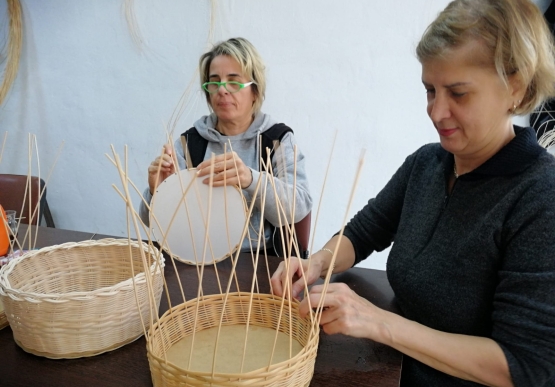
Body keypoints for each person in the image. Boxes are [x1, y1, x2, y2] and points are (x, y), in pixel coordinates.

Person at [271, 0, 555, 386]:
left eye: (458, 93)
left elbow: (523, 366)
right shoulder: (429, 163)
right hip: (394, 368)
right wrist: (319, 262)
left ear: (516, 89)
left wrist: (378, 322)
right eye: (429, 90)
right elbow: (366, 229)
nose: (436, 112)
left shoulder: (540, 196)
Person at [140, 37, 312, 253]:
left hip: (260, 262)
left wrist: (251, 179)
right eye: (214, 82)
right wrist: (158, 191)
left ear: (255, 91)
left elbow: (300, 207)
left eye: (234, 81)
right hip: (198, 260)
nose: (222, 90)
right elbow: (153, 222)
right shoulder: (189, 143)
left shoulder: (276, 140)